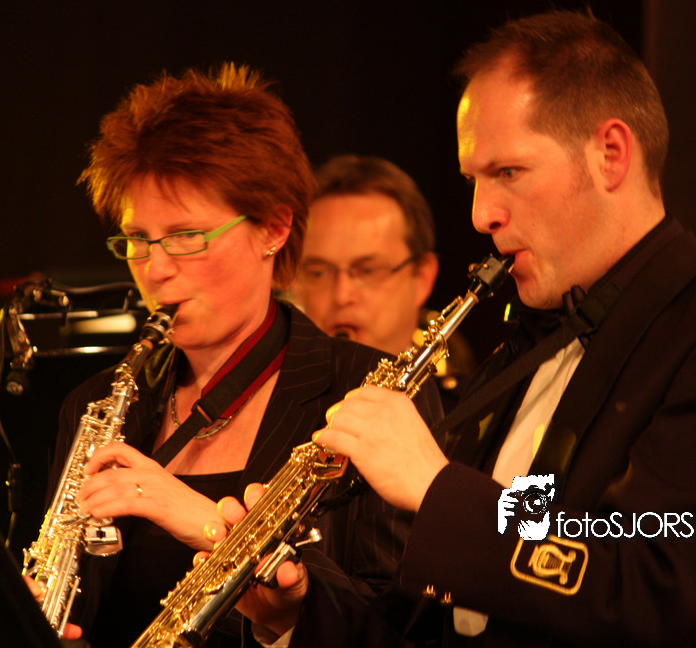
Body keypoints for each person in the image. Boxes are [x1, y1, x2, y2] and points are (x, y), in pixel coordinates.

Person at [214, 10, 696, 647]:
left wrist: (436, 489)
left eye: (508, 173)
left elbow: (647, 587)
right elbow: (458, 622)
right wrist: (295, 615)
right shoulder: (532, 346)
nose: (480, 214)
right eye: (473, 180)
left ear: (611, 154)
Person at [39, 64, 443, 648]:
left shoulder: (371, 394)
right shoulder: (97, 404)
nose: (155, 269)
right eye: (138, 239)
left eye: (186, 236)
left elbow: (407, 631)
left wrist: (207, 524)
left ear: (273, 228)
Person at [293, 154, 476, 409]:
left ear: (422, 277)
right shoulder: (270, 404)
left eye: (368, 270)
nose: (342, 295)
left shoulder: (463, 412)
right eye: (318, 272)